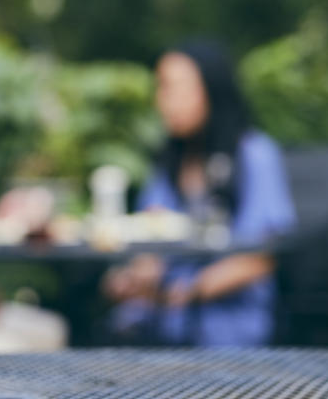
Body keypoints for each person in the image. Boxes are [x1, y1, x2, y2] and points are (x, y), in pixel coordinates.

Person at [104, 40, 297, 346]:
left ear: (212, 90)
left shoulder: (254, 155)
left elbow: (262, 255)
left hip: (227, 329)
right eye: (162, 88)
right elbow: (150, 234)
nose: (165, 101)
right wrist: (137, 274)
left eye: (177, 88)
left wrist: (187, 292)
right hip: (159, 323)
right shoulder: (170, 161)